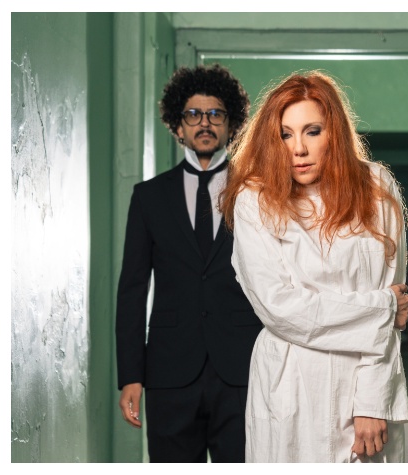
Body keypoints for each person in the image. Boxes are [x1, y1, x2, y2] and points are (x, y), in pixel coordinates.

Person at [220, 71, 408, 463]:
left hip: (363, 383)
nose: (299, 148)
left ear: (334, 133)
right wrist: (382, 307)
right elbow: (280, 308)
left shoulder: (377, 187)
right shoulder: (254, 199)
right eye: (285, 134)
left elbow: (389, 291)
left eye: (312, 131)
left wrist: (372, 402)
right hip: (289, 384)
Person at [116, 64, 263, 462]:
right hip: (169, 373)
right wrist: (131, 375)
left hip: (243, 369)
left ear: (231, 125)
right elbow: (132, 289)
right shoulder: (148, 197)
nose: (205, 123)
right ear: (178, 126)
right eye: (194, 115)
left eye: (215, 114)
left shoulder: (257, 193)